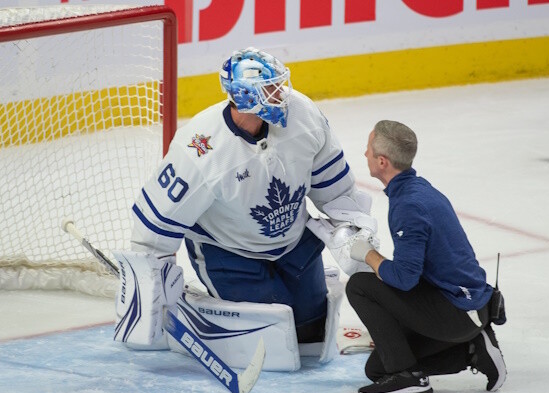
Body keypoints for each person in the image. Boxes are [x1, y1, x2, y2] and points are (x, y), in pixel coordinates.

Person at [113, 47, 375, 370]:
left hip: (293, 244)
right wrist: (151, 292)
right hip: (229, 252)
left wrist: (352, 235)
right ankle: (198, 309)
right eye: (271, 90)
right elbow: (155, 226)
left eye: (280, 85)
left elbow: (336, 190)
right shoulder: (200, 148)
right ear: (246, 98)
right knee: (274, 337)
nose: (283, 95)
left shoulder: (303, 115)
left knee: (309, 332)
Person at [345, 120, 507, 393]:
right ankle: (472, 351)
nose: (364, 155)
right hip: (468, 308)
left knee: (360, 285)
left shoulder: (408, 205)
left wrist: (368, 254)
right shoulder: (418, 189)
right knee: (378, 369)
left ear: (382, 161)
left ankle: (407, 378)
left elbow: (405, 279)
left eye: (368, 150)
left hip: (457, 312)